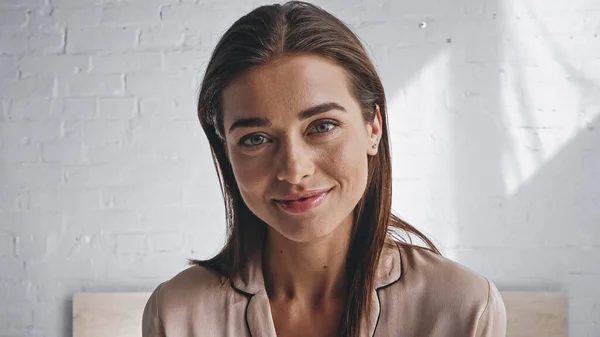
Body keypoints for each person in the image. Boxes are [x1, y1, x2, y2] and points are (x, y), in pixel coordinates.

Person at [142, 1, 507, 336]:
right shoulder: (177, 314)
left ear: (373, 128)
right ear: (227, 151)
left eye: (322, 126)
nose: (293, 170)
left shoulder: (463, 309)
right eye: (255, 139)